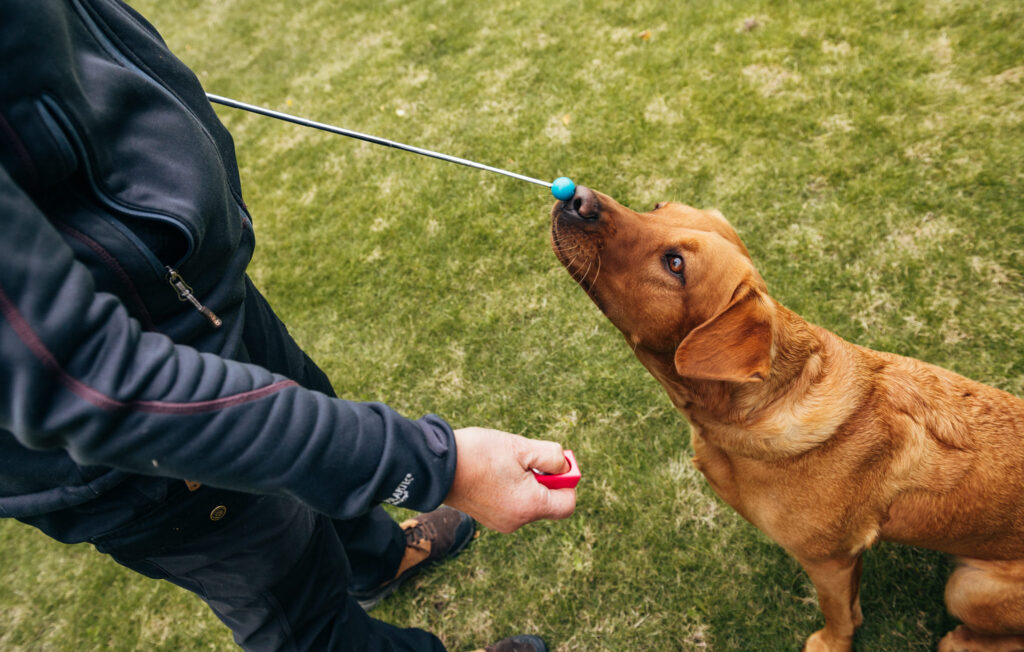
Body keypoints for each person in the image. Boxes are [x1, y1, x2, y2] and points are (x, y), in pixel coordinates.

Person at [0, 1, 576, 650]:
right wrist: (436, 468)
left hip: (189, 290)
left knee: (311, 410)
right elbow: (86, 379)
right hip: (137, 435)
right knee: (298, 610)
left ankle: (378, 558)